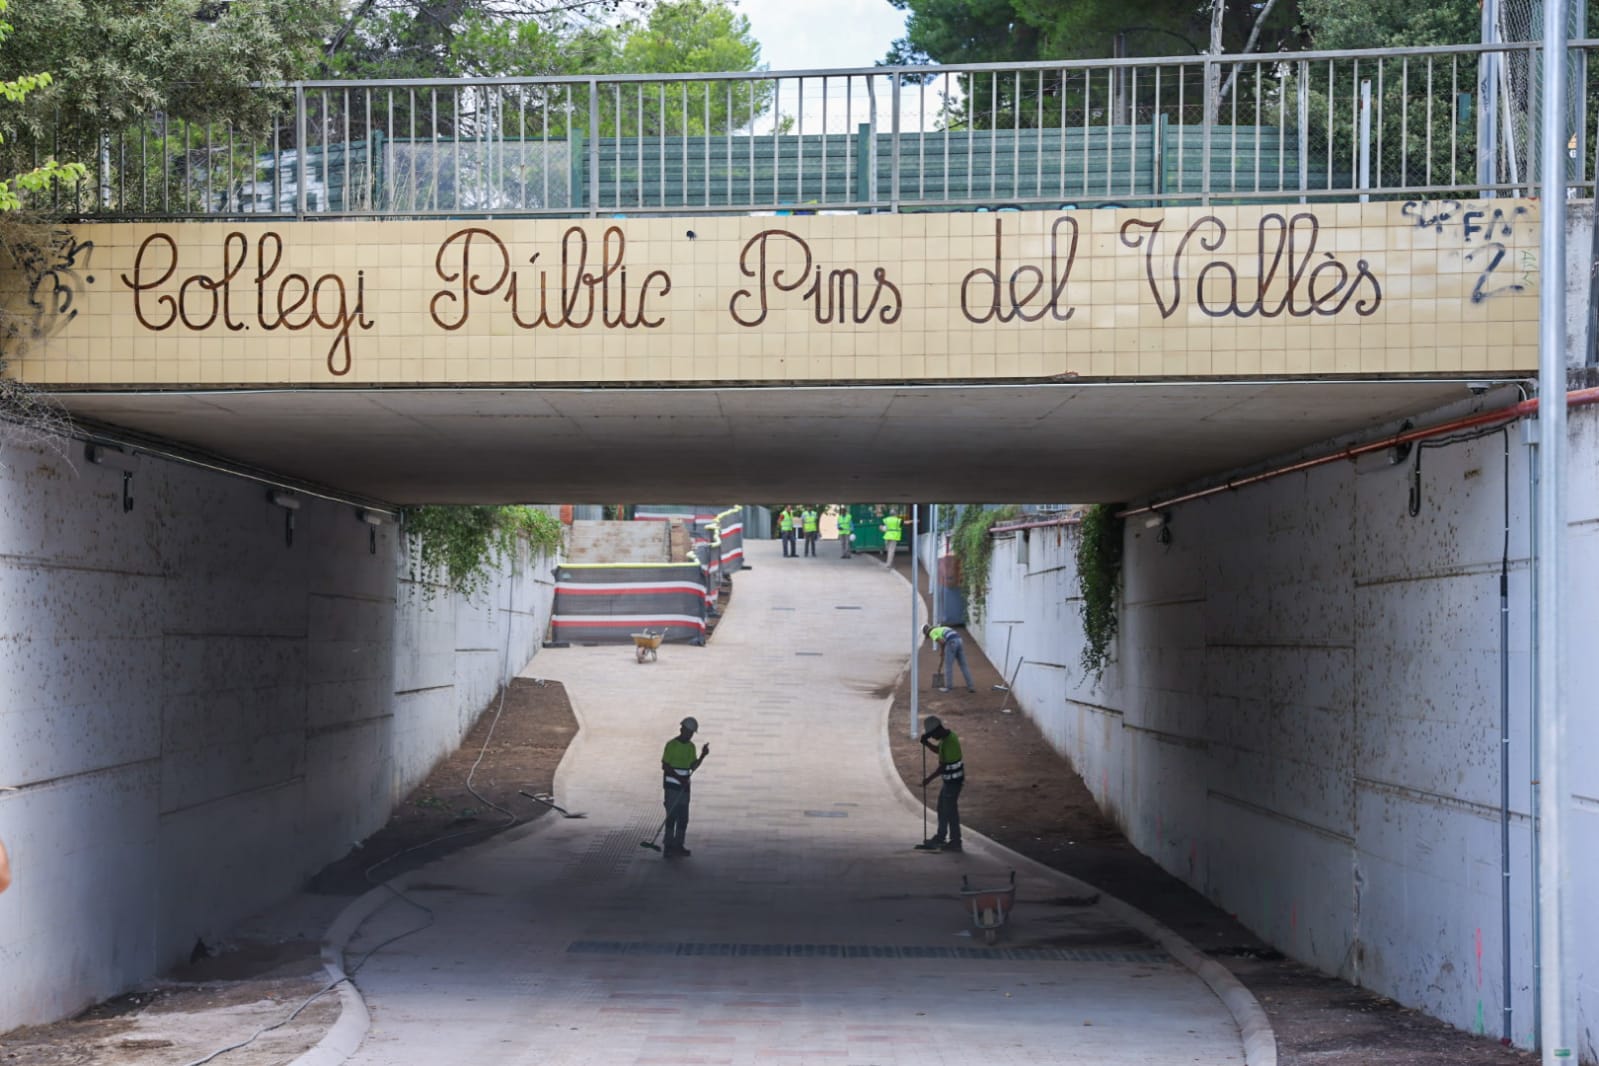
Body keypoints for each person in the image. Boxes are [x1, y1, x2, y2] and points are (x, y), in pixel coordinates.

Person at [660, 716, 710, 857]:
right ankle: (668, 845)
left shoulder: (691, 747)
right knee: (671, 817)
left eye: (692, 733)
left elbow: (692, 766)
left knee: (683, 818)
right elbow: (665, 766)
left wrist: (702, 756)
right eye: (689, 732)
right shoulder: (671, 745)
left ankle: (678, 845)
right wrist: (679, 778)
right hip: (672, 787)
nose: (690, 735)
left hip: (684, 788)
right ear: (682, 729)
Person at [914, 716, 964, 853]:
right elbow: (938, 751)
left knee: (951, 811)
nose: (933, 737)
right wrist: (927, 744)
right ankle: (941, 837)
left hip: (953, 782)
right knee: (942, 808)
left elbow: (943, 767)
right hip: (949, 781)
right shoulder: (945, 738)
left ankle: (956, 842)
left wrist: (928, 779)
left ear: (938, 730)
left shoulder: (949, 742)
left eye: (932, 735)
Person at [924, 623, 976, 693]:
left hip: (951, 642)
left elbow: (942, 642)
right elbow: (944, 641)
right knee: (964, 665)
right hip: (959, 640)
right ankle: (971, 686)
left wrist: (942, 651)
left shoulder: (932, 633)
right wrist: (943, 652)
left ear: (926, 633)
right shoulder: (941, 628)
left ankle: (948, 687)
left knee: (948, 666)